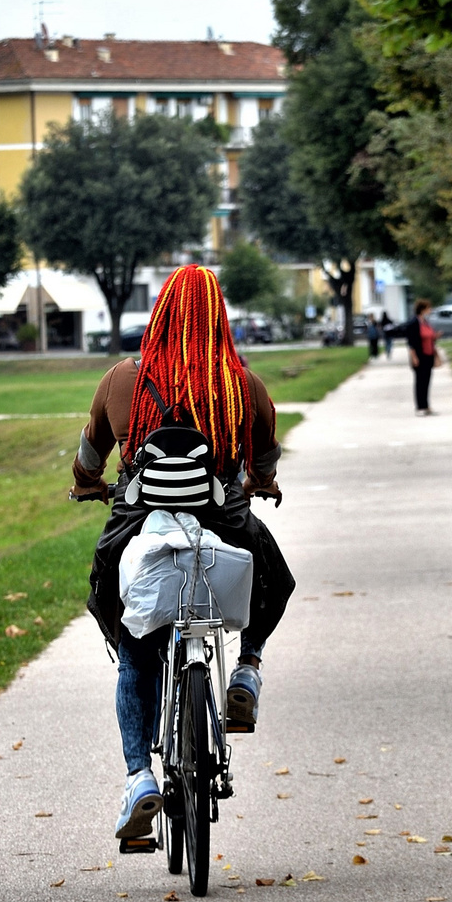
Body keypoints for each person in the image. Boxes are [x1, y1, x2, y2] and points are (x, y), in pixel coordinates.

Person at [74, 264, 296, 843]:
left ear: (161, 312)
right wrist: (261, 481)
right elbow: (267, 453)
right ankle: (246, 668)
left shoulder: (124, 378)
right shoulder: (238, 384)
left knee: (132, 643)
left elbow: (90, 453)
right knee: (272, 577)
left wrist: (86, 483)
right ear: (215, 315)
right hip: (221, 517)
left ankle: (140, 779)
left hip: (138, 524)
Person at [395, 298, 440, 415]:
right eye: (428, 308)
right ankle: (420, 407)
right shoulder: (414, 323)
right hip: (420, 356)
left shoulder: (425, 322)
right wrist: (414, 357)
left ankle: (426, 405)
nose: (430, 310)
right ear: (422, 309)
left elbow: (428, 337)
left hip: (429, 355)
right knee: (420, 381)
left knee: (426, 381)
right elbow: (411, 342)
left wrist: (435, 337)